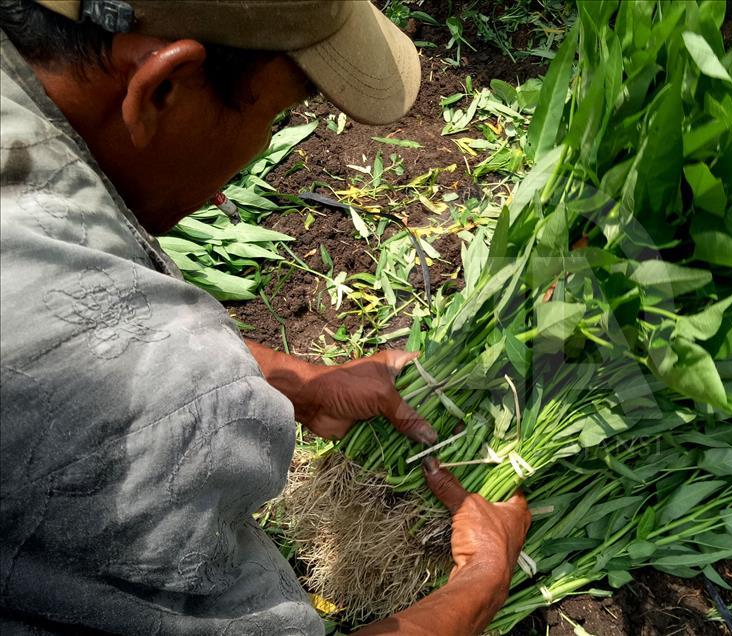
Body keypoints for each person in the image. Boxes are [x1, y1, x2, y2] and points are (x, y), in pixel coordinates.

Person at [0, 1, 530, 634]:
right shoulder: (159, 420)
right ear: (163, 85)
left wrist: (293, 379)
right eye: (273, 115)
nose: (232, 184)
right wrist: (483, 579)